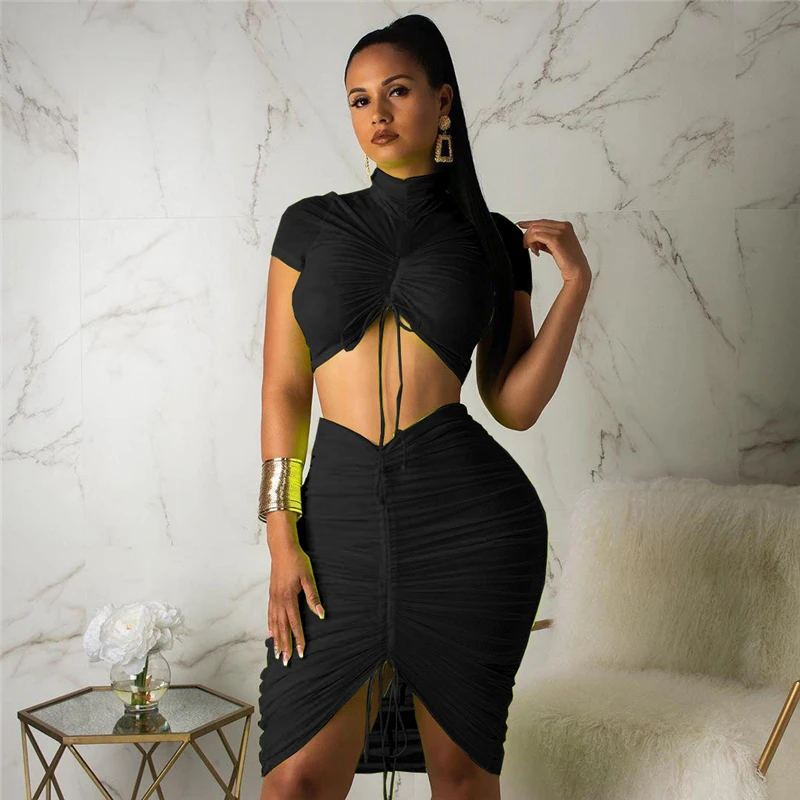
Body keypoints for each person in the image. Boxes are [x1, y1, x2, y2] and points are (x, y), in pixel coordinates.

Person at [257, 14, 591, 800]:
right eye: (359, 99)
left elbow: (512, 404)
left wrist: (575, 288)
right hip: (336, 523)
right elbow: (284, 388)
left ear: (443, 101)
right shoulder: (308, 226)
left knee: (462, 777)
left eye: (397, 91)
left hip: (467, 528)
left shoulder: (491, 240)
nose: (376, 112)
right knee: (295, 781)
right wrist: (281, 536)